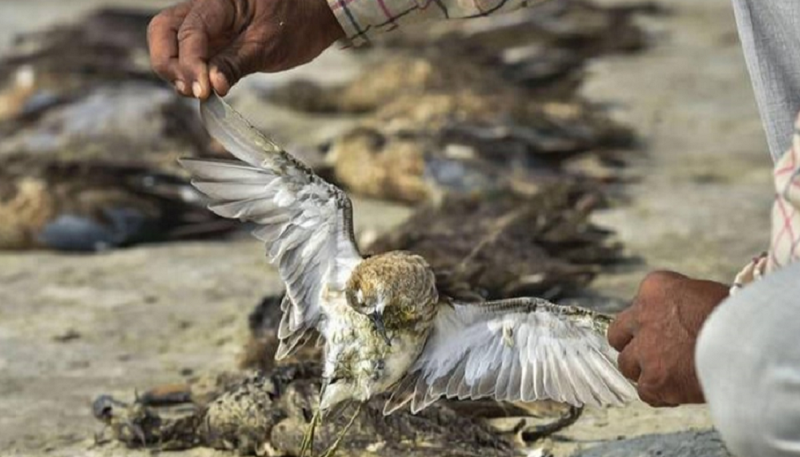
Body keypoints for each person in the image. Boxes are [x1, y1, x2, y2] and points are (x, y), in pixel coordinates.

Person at [147, 0, 800, 455]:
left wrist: (729, 326)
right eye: (368, 301)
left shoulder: (458, 325)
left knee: (741, 360)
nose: (367, 311)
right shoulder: (341, 274)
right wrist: (323, 6)